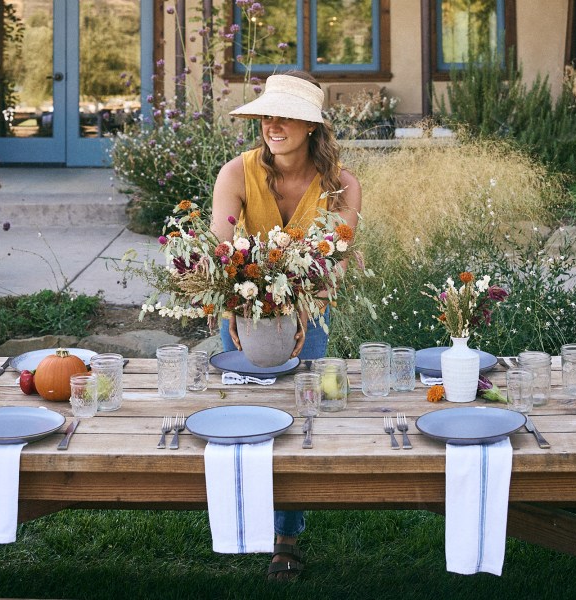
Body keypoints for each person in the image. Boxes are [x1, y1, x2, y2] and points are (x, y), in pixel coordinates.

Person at [210, 70, 362, 580]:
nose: (273, 125)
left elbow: (333, 264)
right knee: (242, 415)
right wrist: (233, 310)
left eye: (287, 117)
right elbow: (222, 254)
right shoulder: (236, 174)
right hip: (243, 310)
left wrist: (303, 312)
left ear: (311, 125)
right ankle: (236, 522)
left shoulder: (342, 186)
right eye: (267, 116)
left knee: (299, 419)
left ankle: (286, 537)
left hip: (308, 312)